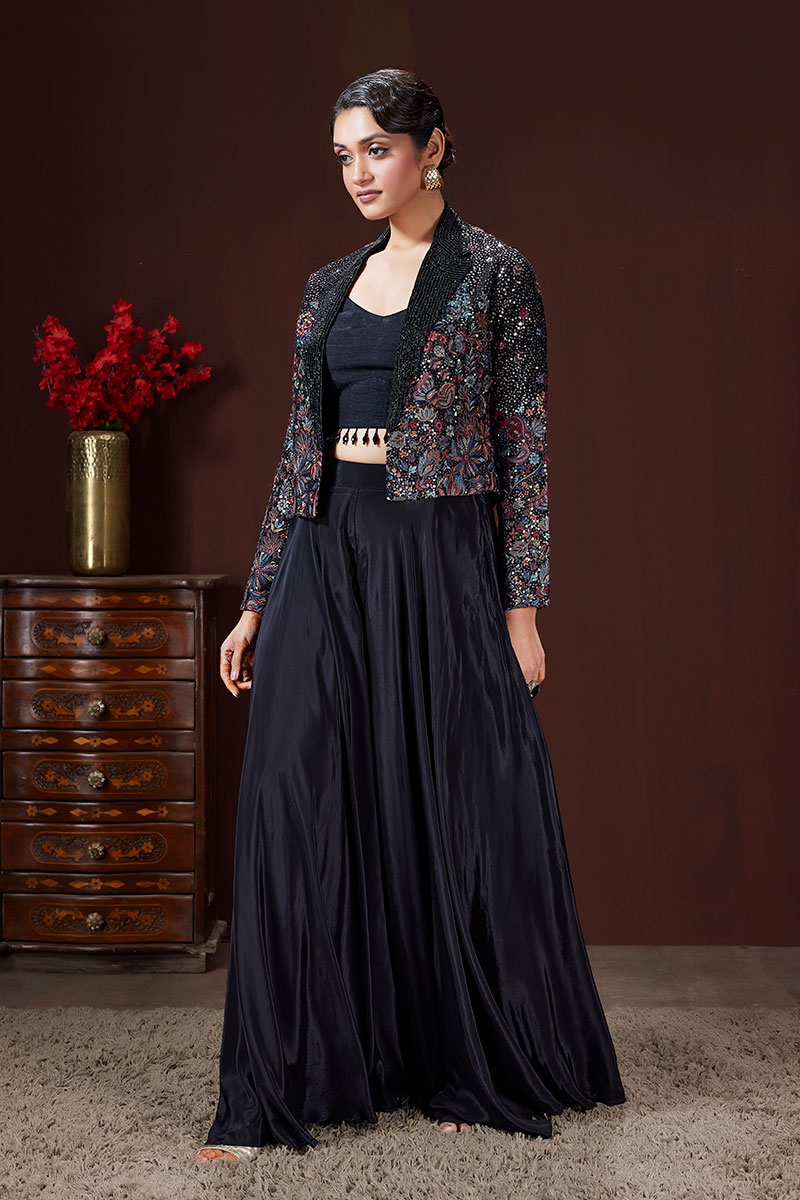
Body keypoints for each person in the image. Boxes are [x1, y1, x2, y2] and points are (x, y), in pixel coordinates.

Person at [195, 67, 626, 1164]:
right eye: (343, 155)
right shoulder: (326, 285)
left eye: (376, 149)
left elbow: (524, 449)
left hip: (438, 553)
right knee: (292, 795)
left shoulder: (495, 274)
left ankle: (465, 1057)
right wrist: (257, 600)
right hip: (326, 545)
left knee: (444, 800)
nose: (357, 172)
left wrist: (522, 611)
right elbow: (296, 452)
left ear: (432, 147)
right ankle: (275, 1086)